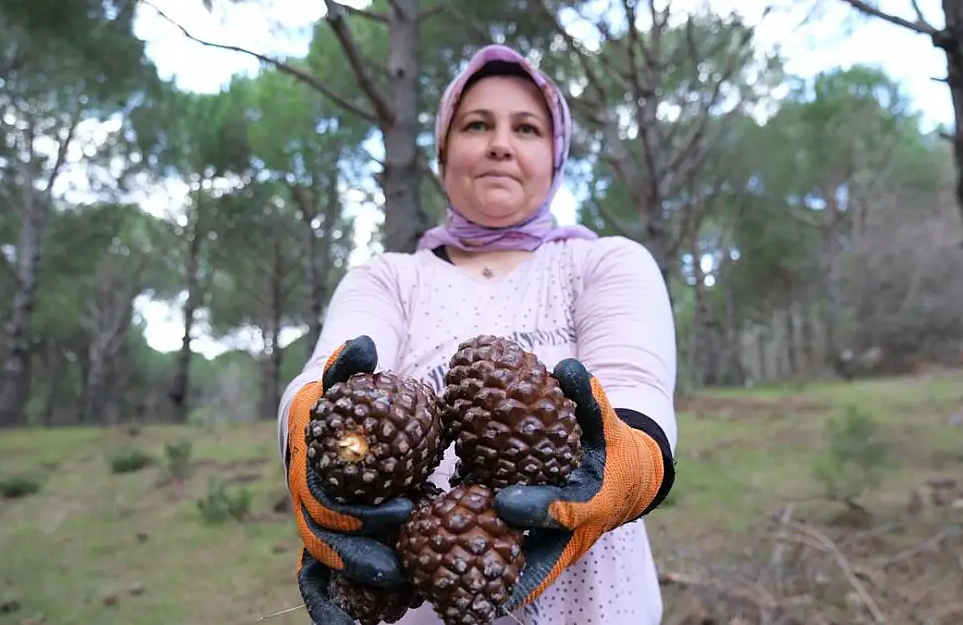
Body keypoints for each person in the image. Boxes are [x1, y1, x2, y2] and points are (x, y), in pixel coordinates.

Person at [276, 44, 678, 625]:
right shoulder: (390, 277)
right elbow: (323, 375)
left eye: (528, 128)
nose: (499, 143)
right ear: (443, 155)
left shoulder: (603, 263)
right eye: (476, 125)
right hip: (423, 590)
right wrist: (308, 438)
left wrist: (630, 465)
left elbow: (638, 386)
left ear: (555, 156)